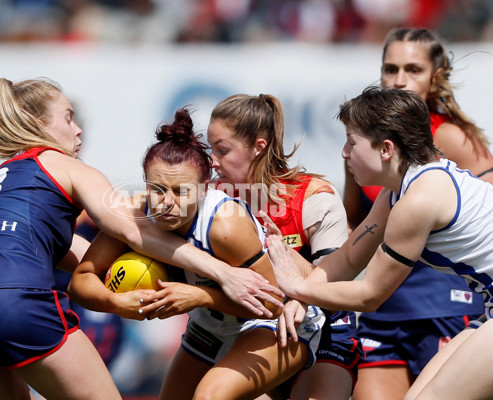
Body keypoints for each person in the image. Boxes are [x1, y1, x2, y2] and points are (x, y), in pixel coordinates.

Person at [0, 77, 283, 400]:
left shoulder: (0, 179)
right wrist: (222, 274)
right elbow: (135, 231)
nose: (78, 130)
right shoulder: (60, 163)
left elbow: (73, 254)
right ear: (38, 126)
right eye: (68, 118)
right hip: (13, 300)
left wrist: (115, 291)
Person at [68, 107, 325, 400]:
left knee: (209, 396)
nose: (167, 203)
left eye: (181, 191)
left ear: (204, 189)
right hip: (210, 327)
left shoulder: (224, 225)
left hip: (277, 324)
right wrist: (116, 302)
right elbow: (81, 280)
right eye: (158, 189)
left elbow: (275, 303)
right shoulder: (137, 215)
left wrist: (200, 297)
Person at [265, 85, 493, 400]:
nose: (344, 153)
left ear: (386, 149)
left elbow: (369, 295)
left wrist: (296, 287)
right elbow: (347, 258)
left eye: (351, 142)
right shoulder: (402, 189)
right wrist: (302, 298)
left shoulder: (419, 199)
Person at [342, 27, 488, 400]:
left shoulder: (452, 137)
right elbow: (355, 226)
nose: (400, 80)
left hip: (444, 305)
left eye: (413, 69)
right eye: (390, 69)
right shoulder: (363, 143)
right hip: (383, 304)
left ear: (436, 77)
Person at [206, 93, 363, 399]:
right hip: (252, 329)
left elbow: (337, 284)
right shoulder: (212, 198)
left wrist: (280, 253)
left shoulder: (314, 197)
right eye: (209, 149)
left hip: (327, 327)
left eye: (222, 150)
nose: (212, 161)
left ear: (258, 148)